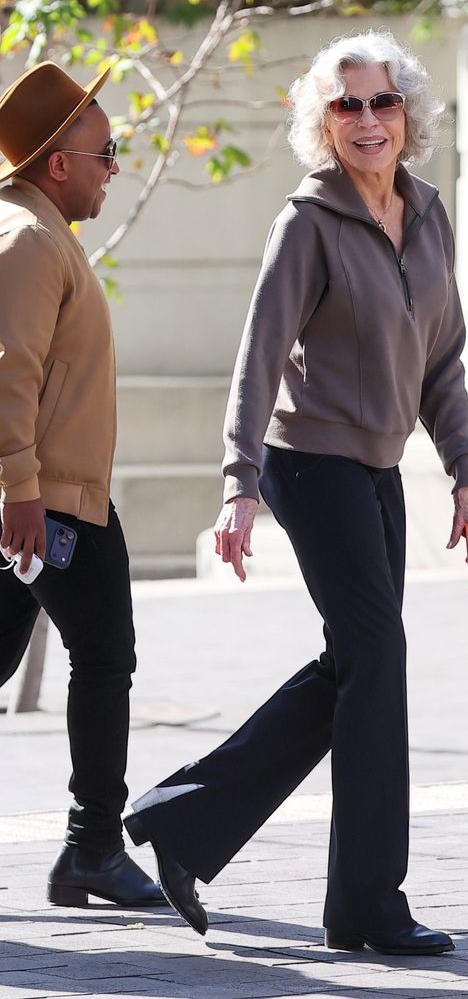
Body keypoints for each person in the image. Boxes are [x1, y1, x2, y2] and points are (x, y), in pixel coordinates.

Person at [125, 29, 468, 954]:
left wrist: (466, 472)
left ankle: (181, 820)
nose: (367, 120)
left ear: (407, 114)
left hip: (377, 467)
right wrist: (238, 484)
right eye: (346, 105)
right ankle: (368, 904)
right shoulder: (306, 221)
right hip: (306, 461)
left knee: (357, 667)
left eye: (382, 102)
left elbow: (441, 359)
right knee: (377, 658)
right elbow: (255, 358)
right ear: (322, 124)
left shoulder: (430, 212)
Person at [0, 62, 165, 909]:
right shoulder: (27, 240)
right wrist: (20, 490)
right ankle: (92, 849)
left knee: (88, 659)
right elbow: (9, 370)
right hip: (49, 506)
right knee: (105, 659)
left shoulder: (38, 231)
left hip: (56, 499)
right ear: (57, 162)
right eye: (106, 153)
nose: (114, 167)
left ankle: (91, 848)